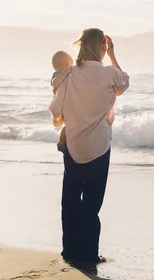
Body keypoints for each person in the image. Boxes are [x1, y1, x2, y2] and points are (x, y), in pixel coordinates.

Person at [49, 28, 130, 264]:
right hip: (99, 146)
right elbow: (124, 82)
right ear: (103, 47)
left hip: (72, 144)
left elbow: (56, 110)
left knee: (71, 200)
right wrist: (114, 56)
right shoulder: (108, 73)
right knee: (92, 203)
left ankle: (70, 252)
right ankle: (89, 254)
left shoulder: (69, 74)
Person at [50, 50, 73, 153]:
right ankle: (61, 141)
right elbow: (55, 83)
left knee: (67, 124)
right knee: (68, 125)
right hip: (62, 104)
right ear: (67, 65)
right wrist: (65, 74)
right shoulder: (57, 75)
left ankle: (62, 141)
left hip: (63, 104)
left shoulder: (65, 74)